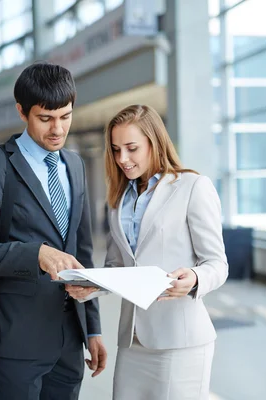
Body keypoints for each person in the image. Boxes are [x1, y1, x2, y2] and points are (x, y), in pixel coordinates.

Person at [0, 62, 107, 400]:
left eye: (66, 116)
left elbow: (81, 253)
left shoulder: (74, 165)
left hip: (70, 342)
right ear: (22, 112)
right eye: (46, 118)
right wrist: (35, 254)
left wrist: (92, 329)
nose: (58, 129)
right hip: (16, 342)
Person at [68, 104, 228, 400]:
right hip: (132, 341)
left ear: (154, 143)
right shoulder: (117, 200)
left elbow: (217, 263)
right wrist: (89, 286)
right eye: (116, 150)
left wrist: (193, 277)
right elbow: (118, 266)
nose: (122, 159)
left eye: (132, 148)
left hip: (180, 342)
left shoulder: (193, 187)